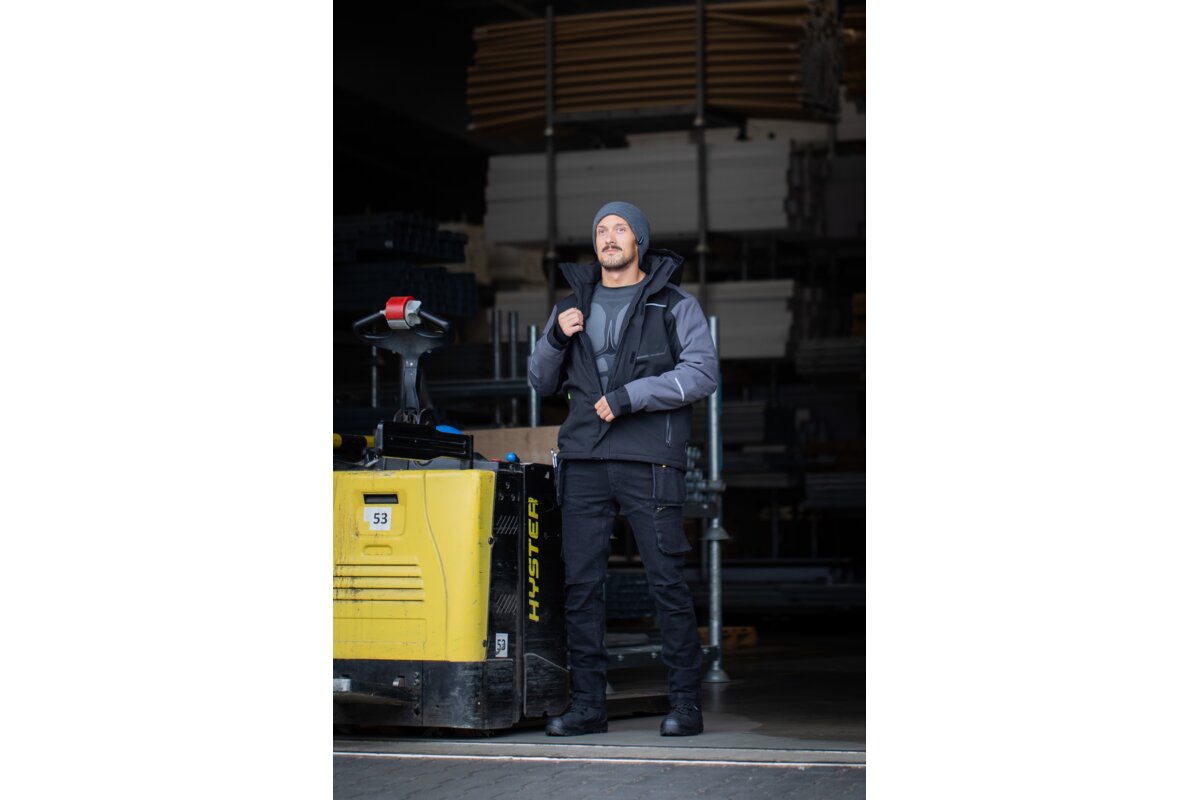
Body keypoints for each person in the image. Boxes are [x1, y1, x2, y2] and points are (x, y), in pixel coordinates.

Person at [527, 201, 719, 737]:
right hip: (584, 460)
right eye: (601, 230)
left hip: (649, 459)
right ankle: (588, 705)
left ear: (639, 241)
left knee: (666, 583)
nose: (609, 237)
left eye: (620, 229)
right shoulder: (570, 306)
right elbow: (540, 381)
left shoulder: (674, 304)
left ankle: (686, 703)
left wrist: (632, 396)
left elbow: (702, 374)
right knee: (581, 586)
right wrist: (555, 339)